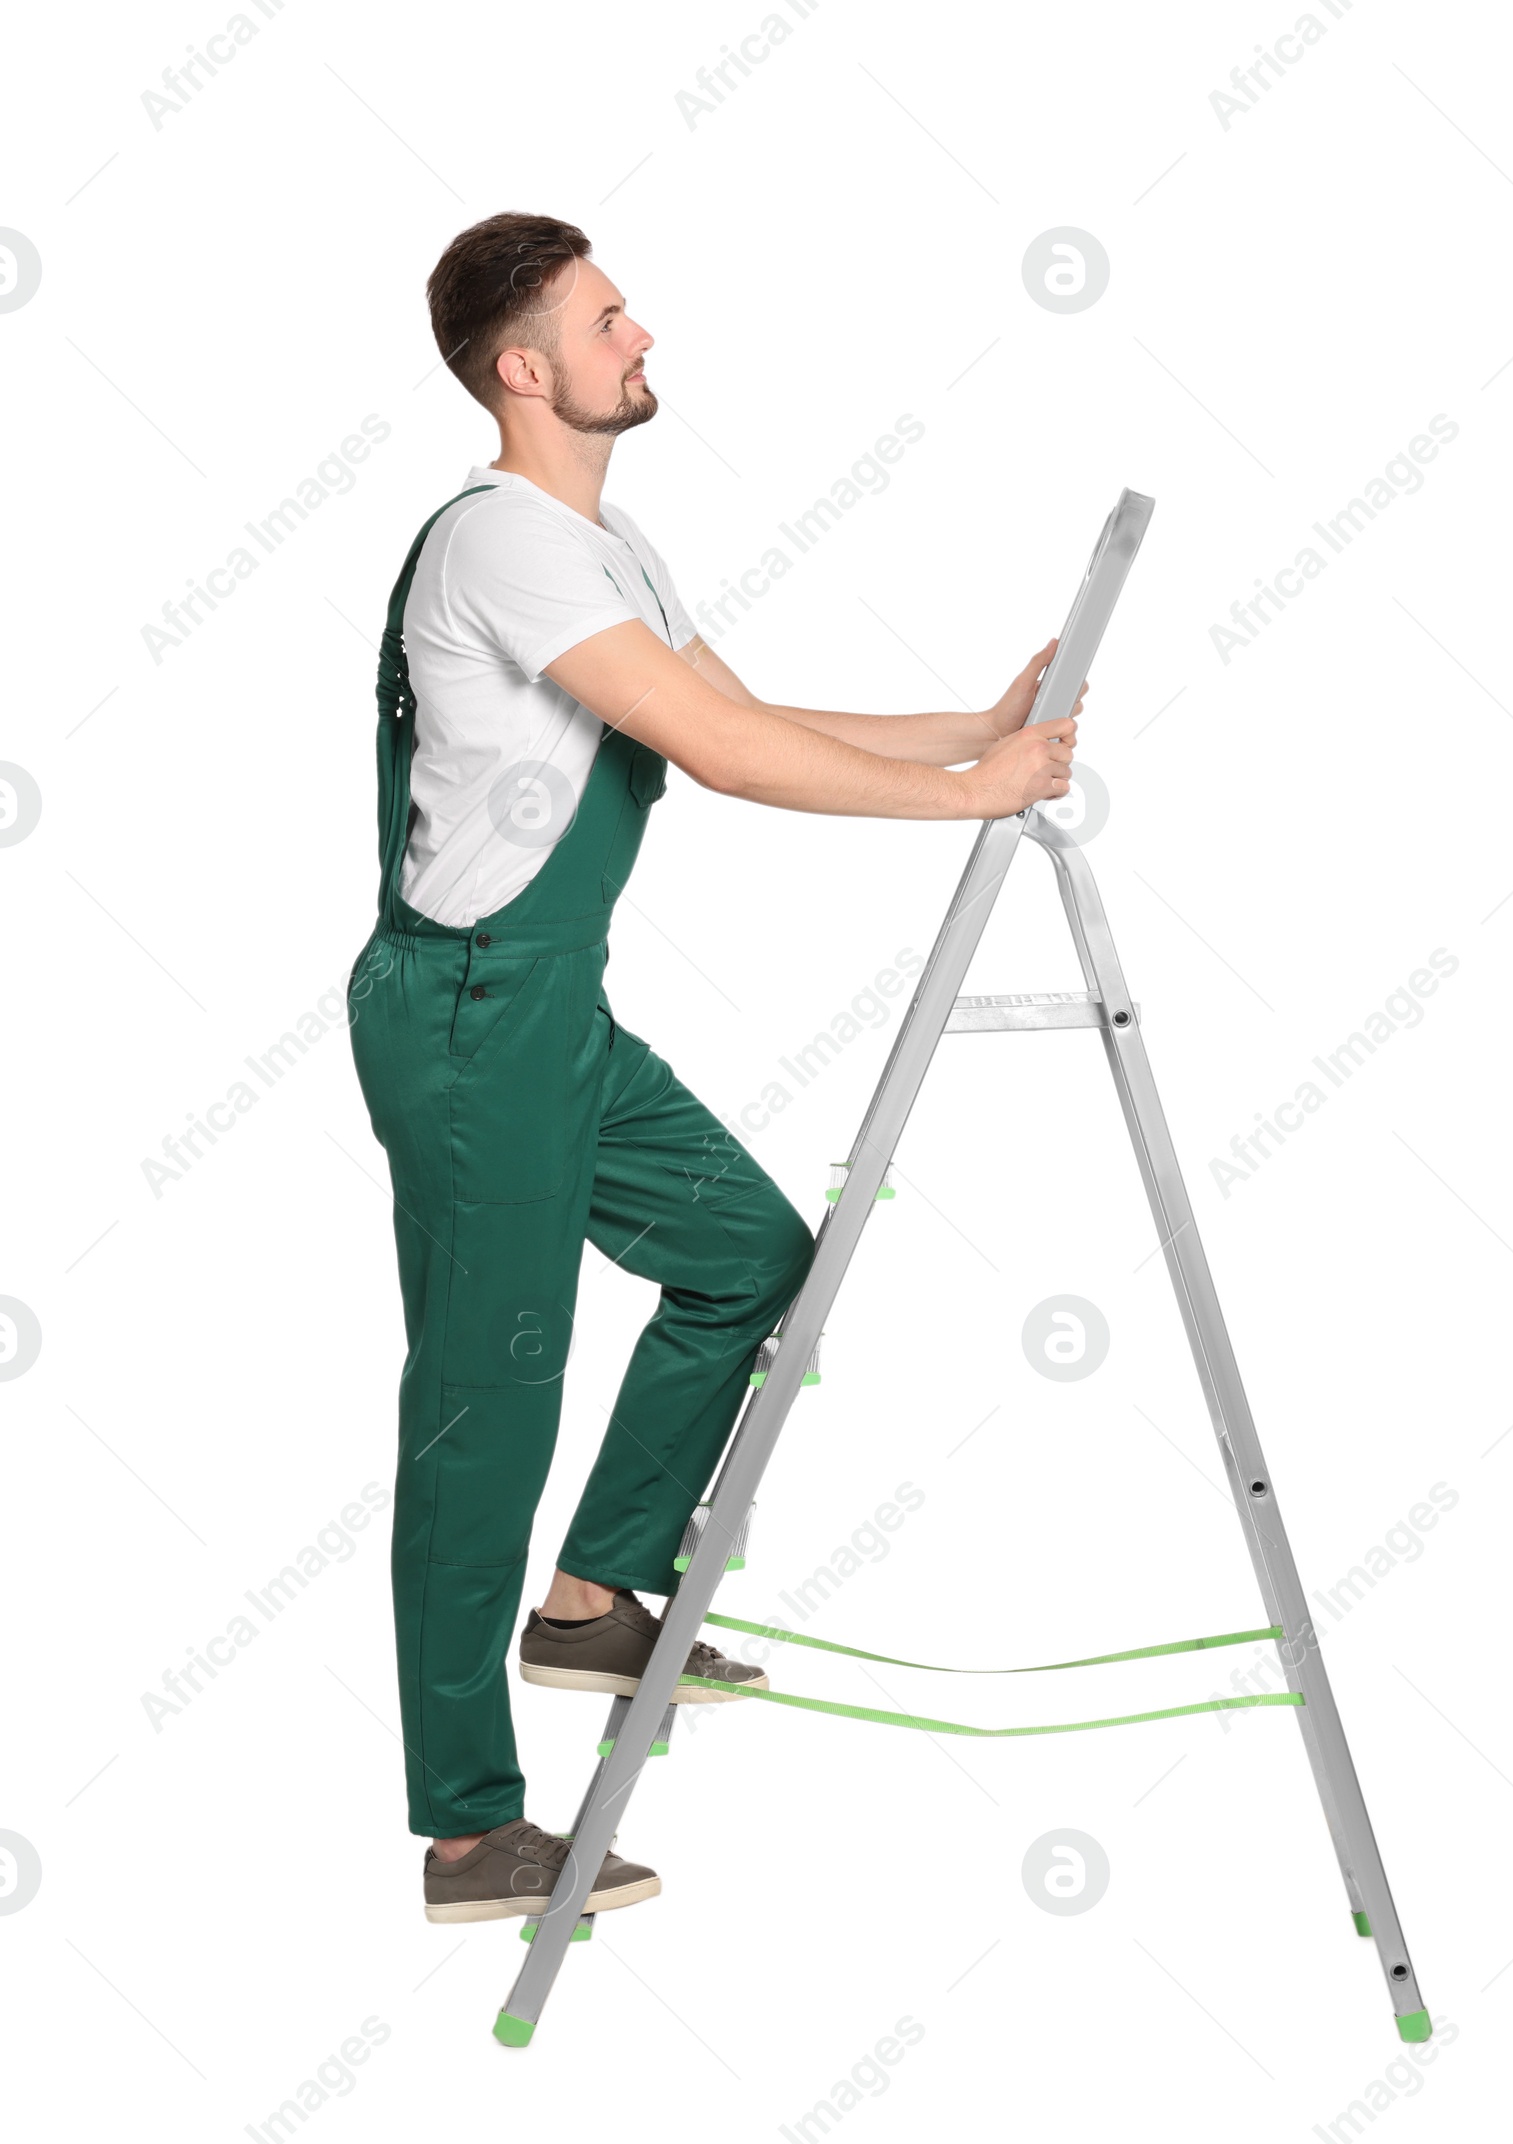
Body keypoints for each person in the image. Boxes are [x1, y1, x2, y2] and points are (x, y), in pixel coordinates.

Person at [345, 211, 1082, 1928]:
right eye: (609, 320)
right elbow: (727, 759)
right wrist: (970, 797)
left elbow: (752, 708)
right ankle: (467, 1832)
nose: (642, 336)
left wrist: (971, 728)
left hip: (550, 1011)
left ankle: (599, 1596)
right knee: (480, 1411)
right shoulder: (503, 548)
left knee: (749, 1254)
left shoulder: (609, 547)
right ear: (524, 368)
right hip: (469, 1017)